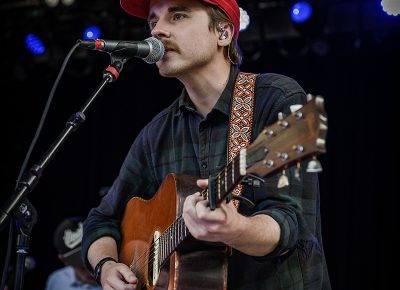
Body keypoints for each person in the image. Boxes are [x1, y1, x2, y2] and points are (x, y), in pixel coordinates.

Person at [82, 0, 332, 289]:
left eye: (177, 16)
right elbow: (101, 220)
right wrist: (106, 266)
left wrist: (235, 229)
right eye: (153, 21)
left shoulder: (277, 98)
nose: (158, 31)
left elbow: (293, 224)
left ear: (223, 33)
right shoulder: (156, 134)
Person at [45, 217, 101, 290]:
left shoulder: (114, 277)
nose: (91, 272)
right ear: (64, 260)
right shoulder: (57, 280)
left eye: (92, 263)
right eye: (82, 267)